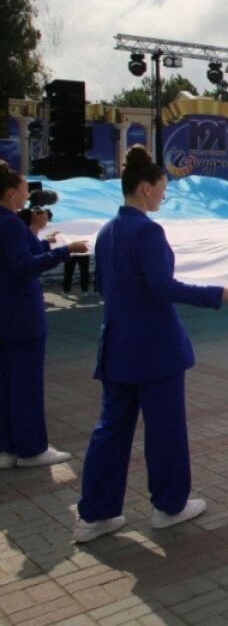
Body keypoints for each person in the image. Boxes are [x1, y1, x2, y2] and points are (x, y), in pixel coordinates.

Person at [73, 146, 228, 543]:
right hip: (154, 349)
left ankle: (95, 514)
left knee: (111, 431)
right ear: (144, 188)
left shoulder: (107, 232)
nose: (164, 196)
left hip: (117, 346)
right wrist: (220, 293)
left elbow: (106, 286)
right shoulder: (147, 231)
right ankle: (169, 506)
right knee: (165, 429)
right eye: (161, 189)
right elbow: (163, 287)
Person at [1, 161, 88, 470]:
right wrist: (65, 251)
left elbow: (18, 257)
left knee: (7, 384)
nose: (28, 195)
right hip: (21, 315)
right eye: (25, 189)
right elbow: (24, 266)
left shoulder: (9, 223)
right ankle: (32, 449)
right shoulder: (10, 224)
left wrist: (39, 236)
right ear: (11, 193)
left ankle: (9, 447)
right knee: (26, 385)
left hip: (6, 315)